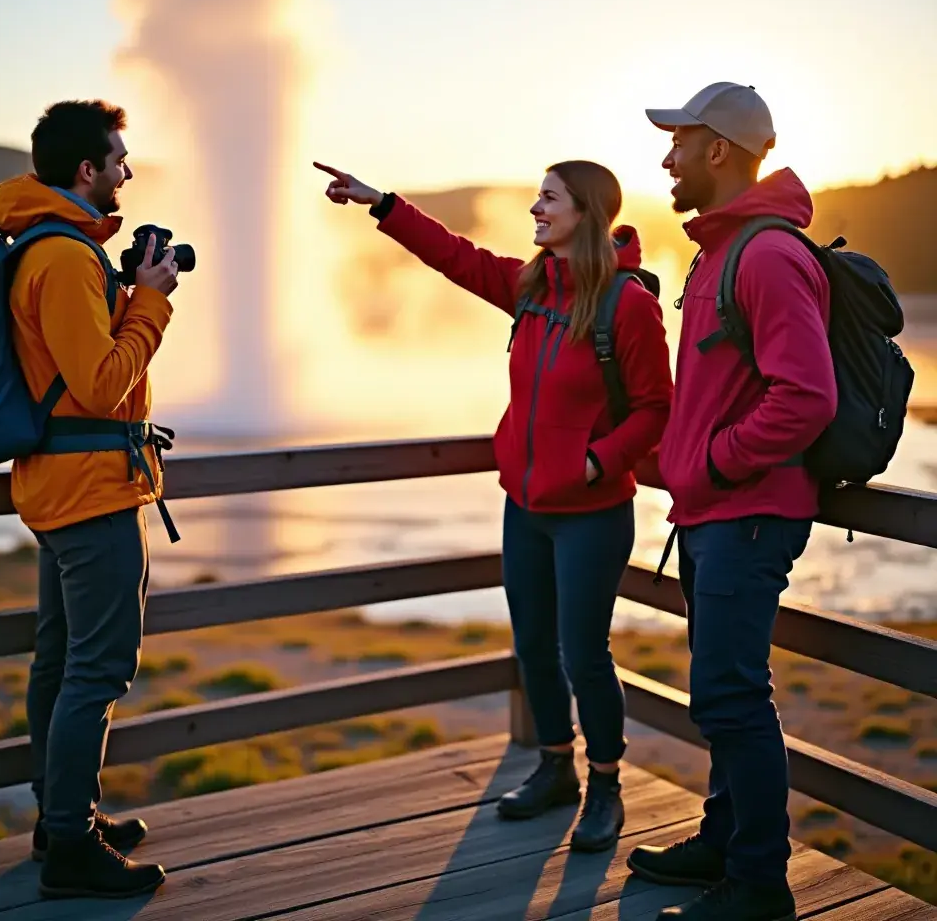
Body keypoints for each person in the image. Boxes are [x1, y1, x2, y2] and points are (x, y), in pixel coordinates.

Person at [315, 158, 673, 852]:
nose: (535, 209)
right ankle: (554, 767)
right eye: (537, 197)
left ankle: (605, 786)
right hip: (526, 505)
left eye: (549, 199)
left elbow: (658, 407)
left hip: (592, 514)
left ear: (587, 215)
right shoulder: (532, 285)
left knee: (585, 655)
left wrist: (599, 461)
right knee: (534, 646)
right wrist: (381, 202)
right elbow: (453, 255)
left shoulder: (626, 304)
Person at [626, 84, 838, 921]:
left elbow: (807, 397)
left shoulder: (768, 256)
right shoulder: (719, 252)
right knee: (722, 689)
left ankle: (757, 884)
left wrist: (711, 461)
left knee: (730, 695)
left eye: (677, 141)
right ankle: (722, 840)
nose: (665, 157)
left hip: (747, 515)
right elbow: (719, 387)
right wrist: (675, 458)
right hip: (718, 514)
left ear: (718, 150)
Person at [0, 100, 179, 899]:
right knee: (95, 671)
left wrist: (129, 292)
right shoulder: (63, 259)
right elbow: (103, 386)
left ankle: (60, 816)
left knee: (61, 663)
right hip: (91, 495)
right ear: (85, 171)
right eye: (119, 159)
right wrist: (152, 301)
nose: (127, 171)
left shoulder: (45, 246)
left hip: (64, 488)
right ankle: (69, 845)